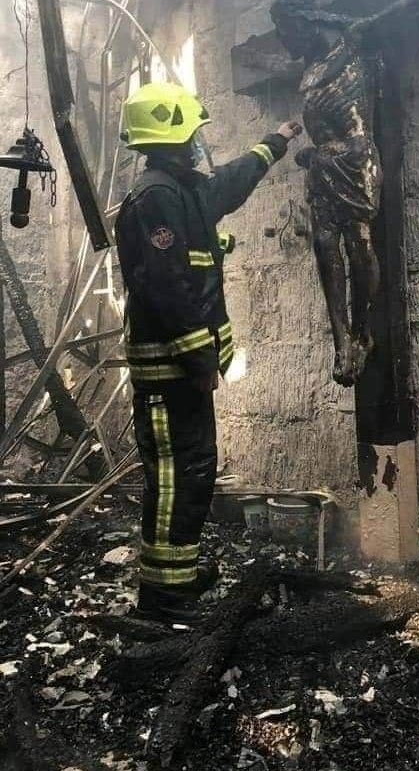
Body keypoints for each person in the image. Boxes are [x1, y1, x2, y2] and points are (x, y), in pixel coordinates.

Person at [115, 81, 301, 624]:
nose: (201, 142)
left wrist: (278, 139)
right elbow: (167, 287)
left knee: (193, 469)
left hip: (185, 372)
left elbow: (232, 182)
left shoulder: (184, 190)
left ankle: (180, 574)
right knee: (178, 474)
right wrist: (200, 361)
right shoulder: (156, 198)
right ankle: (166, 598)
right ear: (172, 137)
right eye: (193, 133)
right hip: (171, 371)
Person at [270, 0, 382, 387]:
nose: (285, 42)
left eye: (286, 31)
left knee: (358, 244)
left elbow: (355, 137)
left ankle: (364, 332)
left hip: (353, 164)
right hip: (322, 168)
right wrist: (311, 158)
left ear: (306, 21)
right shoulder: (312, 68)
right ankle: (341, 340)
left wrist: (315, 157)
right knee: (324, 246)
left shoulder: (351, 48)